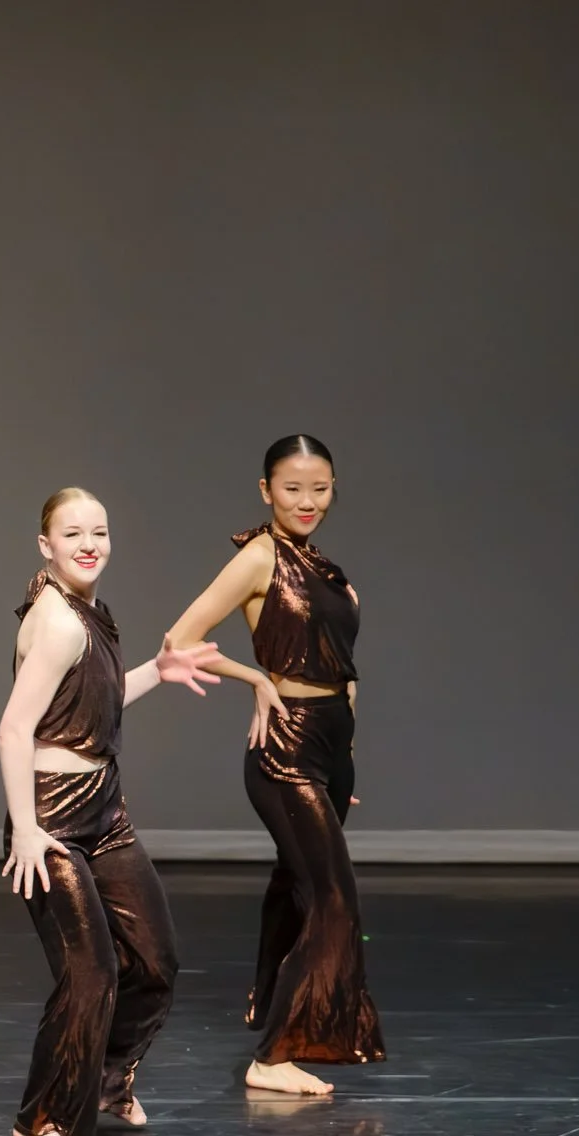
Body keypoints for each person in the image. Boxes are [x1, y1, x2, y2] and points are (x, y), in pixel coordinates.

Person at [0, 487, 218, 1136]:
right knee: (91, 973)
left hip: (104, 808)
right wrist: (26, 828)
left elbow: (93, 698)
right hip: (53, 818)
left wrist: (158, 669)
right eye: (73, 534)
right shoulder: (59, 622)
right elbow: (14, 728)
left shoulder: (88, 612)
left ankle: (106, 1078)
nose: (89, 544)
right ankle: (43, 1119)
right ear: (46, 546)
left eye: (99, 531)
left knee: (155, 960)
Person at [163, 435, 383, 1096]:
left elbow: (345, 672)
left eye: (320, 488)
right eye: (292, 488)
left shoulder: (328, 569)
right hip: (286, 746)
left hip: (330, 749)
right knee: (333, 898)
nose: (307, 501)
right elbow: (180, 640)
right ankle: (274, 1056)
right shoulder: (260, 557)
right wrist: (256, 678)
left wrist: (346, 757)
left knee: (299, 886)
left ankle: (275, 1010)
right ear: (266, 491)